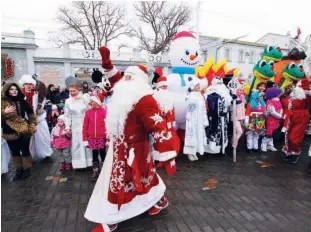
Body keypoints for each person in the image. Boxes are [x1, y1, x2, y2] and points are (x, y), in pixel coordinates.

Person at [84, 46, 178, 232]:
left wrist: (166, 153)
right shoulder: (125, 91)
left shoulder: (145, 99)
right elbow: (115, 79)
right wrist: (106, 63)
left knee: (127, 182)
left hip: (134, 150)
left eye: (130, 76)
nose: (125, 79)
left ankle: (112, 218)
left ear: (139, 81)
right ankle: (159, 200)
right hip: (118, 146)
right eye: (125, 76)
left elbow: (157, 126)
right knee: (141, 179)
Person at [1, 83, 37, 180]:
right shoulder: (2, 103)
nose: (14, 91)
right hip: (9, 132)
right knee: (14, 152)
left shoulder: (22, 101)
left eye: (16, 89)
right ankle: (18, 170)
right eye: (11, 89)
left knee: (25, 150)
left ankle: (27, 170)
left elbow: (31, 114)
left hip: (24, 131)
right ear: (7, 90)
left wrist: (32, 125)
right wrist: (5, 113)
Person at [19, 74, 53, 160]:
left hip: (39, 119)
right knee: (27, 140)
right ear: (23, 85)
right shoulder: (20, 95)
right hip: (25, 120)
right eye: (26, 84)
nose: (28, 86)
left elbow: (41, 103)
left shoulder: (37, 94)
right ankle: (28, 155)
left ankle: (45, 153)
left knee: (42, 137)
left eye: (30, 84)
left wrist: (39, 108)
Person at [63, 76, 92, 169]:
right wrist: (67, 127)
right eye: (70, 91)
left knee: (86, 142)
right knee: (76, 144)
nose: (72, 93)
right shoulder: (68, 101)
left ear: (78, 89)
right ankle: (78, 164)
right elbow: (67, 115)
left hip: (85, 123)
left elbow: (90, 110)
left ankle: (90, 162)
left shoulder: (84, 98)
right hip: (75, 125)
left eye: (74, 91)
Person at [283, 79, 311, 164]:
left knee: (294, 136)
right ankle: (290, 152)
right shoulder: (294, 95)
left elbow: (308, 98)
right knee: (288, 135)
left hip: (301, 117)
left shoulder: (306, 96)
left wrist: (306, 88)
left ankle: (295, 153)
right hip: (291, 116)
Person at [152, 75, 180, 155]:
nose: (164, 87)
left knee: (171, 138)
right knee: (160, 139)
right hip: (160, 121)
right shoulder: (155, 96)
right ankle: (159, 156)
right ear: (159, 86)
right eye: (163, 85)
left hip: (169, 121)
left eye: (165, 85)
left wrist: (173, 121)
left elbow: (173, 109)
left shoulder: (170, 96)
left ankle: (170, 155)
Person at [82, 96, 107, 181]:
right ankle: (95, 171)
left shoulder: (104, 112)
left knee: (103, 154)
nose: (91, 103)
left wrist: (109, 138)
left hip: (102, 137)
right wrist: (85, 139)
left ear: (97, 102)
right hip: (92, 138)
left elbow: (108, 125)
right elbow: (85, 126)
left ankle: (104, 171)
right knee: (94, 154)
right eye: (90, 102)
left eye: (93, 101)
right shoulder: (88, 112)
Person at [183, 77, 208, 161]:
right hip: (192, 119)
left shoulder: (201, 96)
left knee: (198, 135)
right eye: (196, 85)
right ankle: (190, 153)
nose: (198, 86)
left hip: (200, 119)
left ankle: (196, 151)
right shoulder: (190, 96)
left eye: (198, 85)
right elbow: (189, 108)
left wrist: (205, 119)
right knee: (192, 135)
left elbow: (204, 109)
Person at [245, 82, 266, 152]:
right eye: (261, 86)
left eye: (264, 87)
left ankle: (255, 147)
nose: (262, 88)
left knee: (257, 134)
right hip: (252, 117)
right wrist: (246, 121)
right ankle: (249, 147)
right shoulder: (251, 103)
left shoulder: (262, 103)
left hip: (260, 118)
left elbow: (264, 111)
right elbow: (247, 113)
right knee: (250, 133)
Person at [261, 87, 283, 152]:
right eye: (279, 93)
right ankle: (263, 145)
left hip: (276, 120)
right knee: (268, 132)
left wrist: (279, 115)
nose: (280, 94)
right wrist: (279, 116)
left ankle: (270, 145)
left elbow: (280, 110)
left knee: (272, 133)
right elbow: (272, 112)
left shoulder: (278, 101)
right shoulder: (270, 102)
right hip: (270, 119)